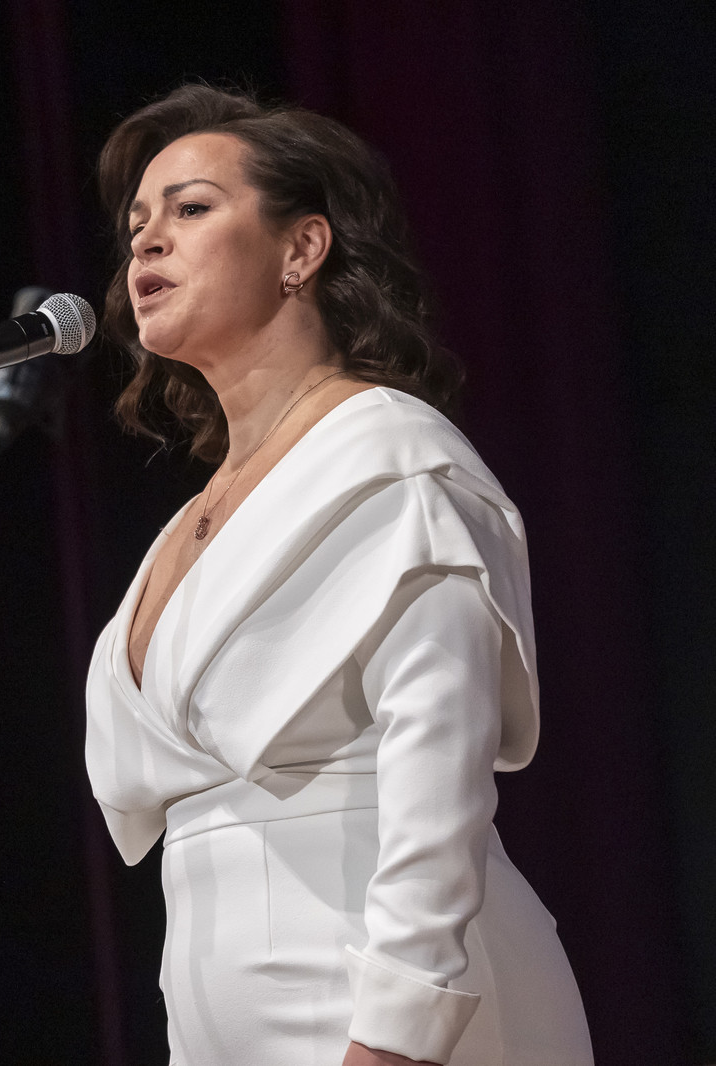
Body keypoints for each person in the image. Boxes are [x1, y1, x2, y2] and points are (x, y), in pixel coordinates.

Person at [83, 84, 593, 1066]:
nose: (147, 240)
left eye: (191, 208)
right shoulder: (187, 525)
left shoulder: (390, 457)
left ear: (302, 249)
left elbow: (439, 760)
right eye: (136, 223)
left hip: (389, 1004)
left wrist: (395, 1036)